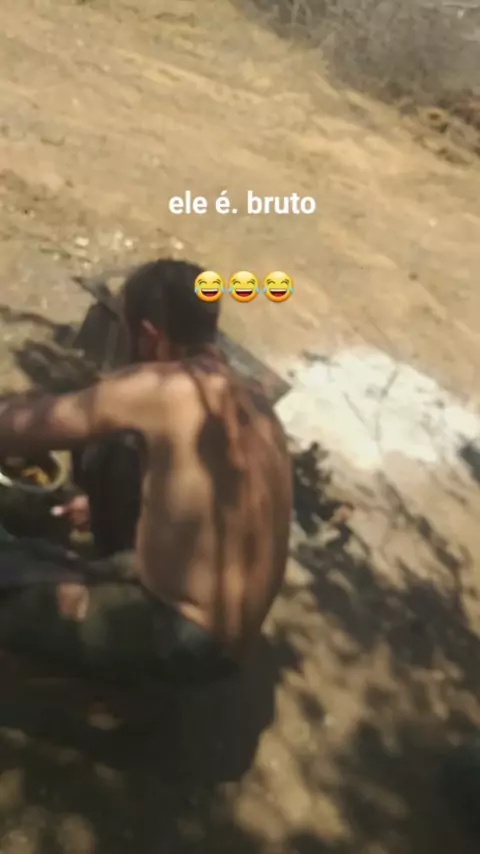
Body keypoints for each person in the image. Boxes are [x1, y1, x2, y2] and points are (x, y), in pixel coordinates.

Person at [0, 259, 292, 685]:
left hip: (181, 637)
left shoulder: (159, 387)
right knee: (46, 555)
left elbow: (18, 428)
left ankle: (82, 678)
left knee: (13, 585)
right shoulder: (255, 401)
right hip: (230, 639)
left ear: (149, 336)